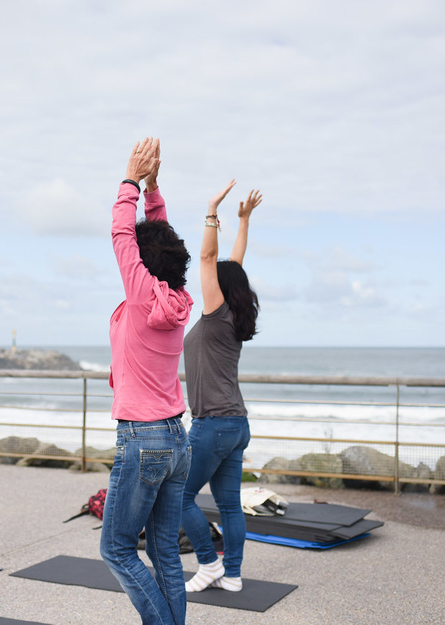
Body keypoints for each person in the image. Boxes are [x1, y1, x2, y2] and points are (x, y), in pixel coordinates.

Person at [99, 138, 193, 625]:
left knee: (115, 550)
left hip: (143, 438)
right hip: (177, 439)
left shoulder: (141, 298)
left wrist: (131, 181)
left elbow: (121, 236)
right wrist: (154, 191)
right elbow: (158, 242)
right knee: (166, 555)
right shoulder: (177, 300)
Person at [180, 180, 262, 593]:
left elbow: (212, 256)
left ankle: (210, 564)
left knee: (178, 496)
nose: (206, 277)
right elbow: (233, 263)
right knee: (228, 503)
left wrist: (212, 211)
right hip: (236, 424)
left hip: (213, 424)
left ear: (220, 288)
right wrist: (243, 222)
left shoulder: (215, 313)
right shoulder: (233, 315)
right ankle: (233, 574)